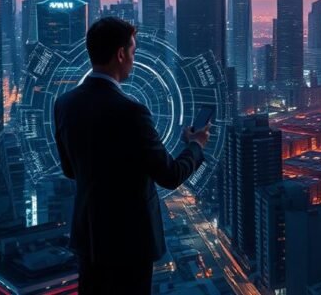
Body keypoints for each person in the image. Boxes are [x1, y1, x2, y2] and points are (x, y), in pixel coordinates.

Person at [54, 17, 211, 294]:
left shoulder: (65, 104)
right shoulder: (131, 112)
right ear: (121, 54)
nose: (134, 60)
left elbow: (70, 169)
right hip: (129, 245)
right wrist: (196, 145)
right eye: (134, 52)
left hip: (89, 239)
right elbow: (170, 175)